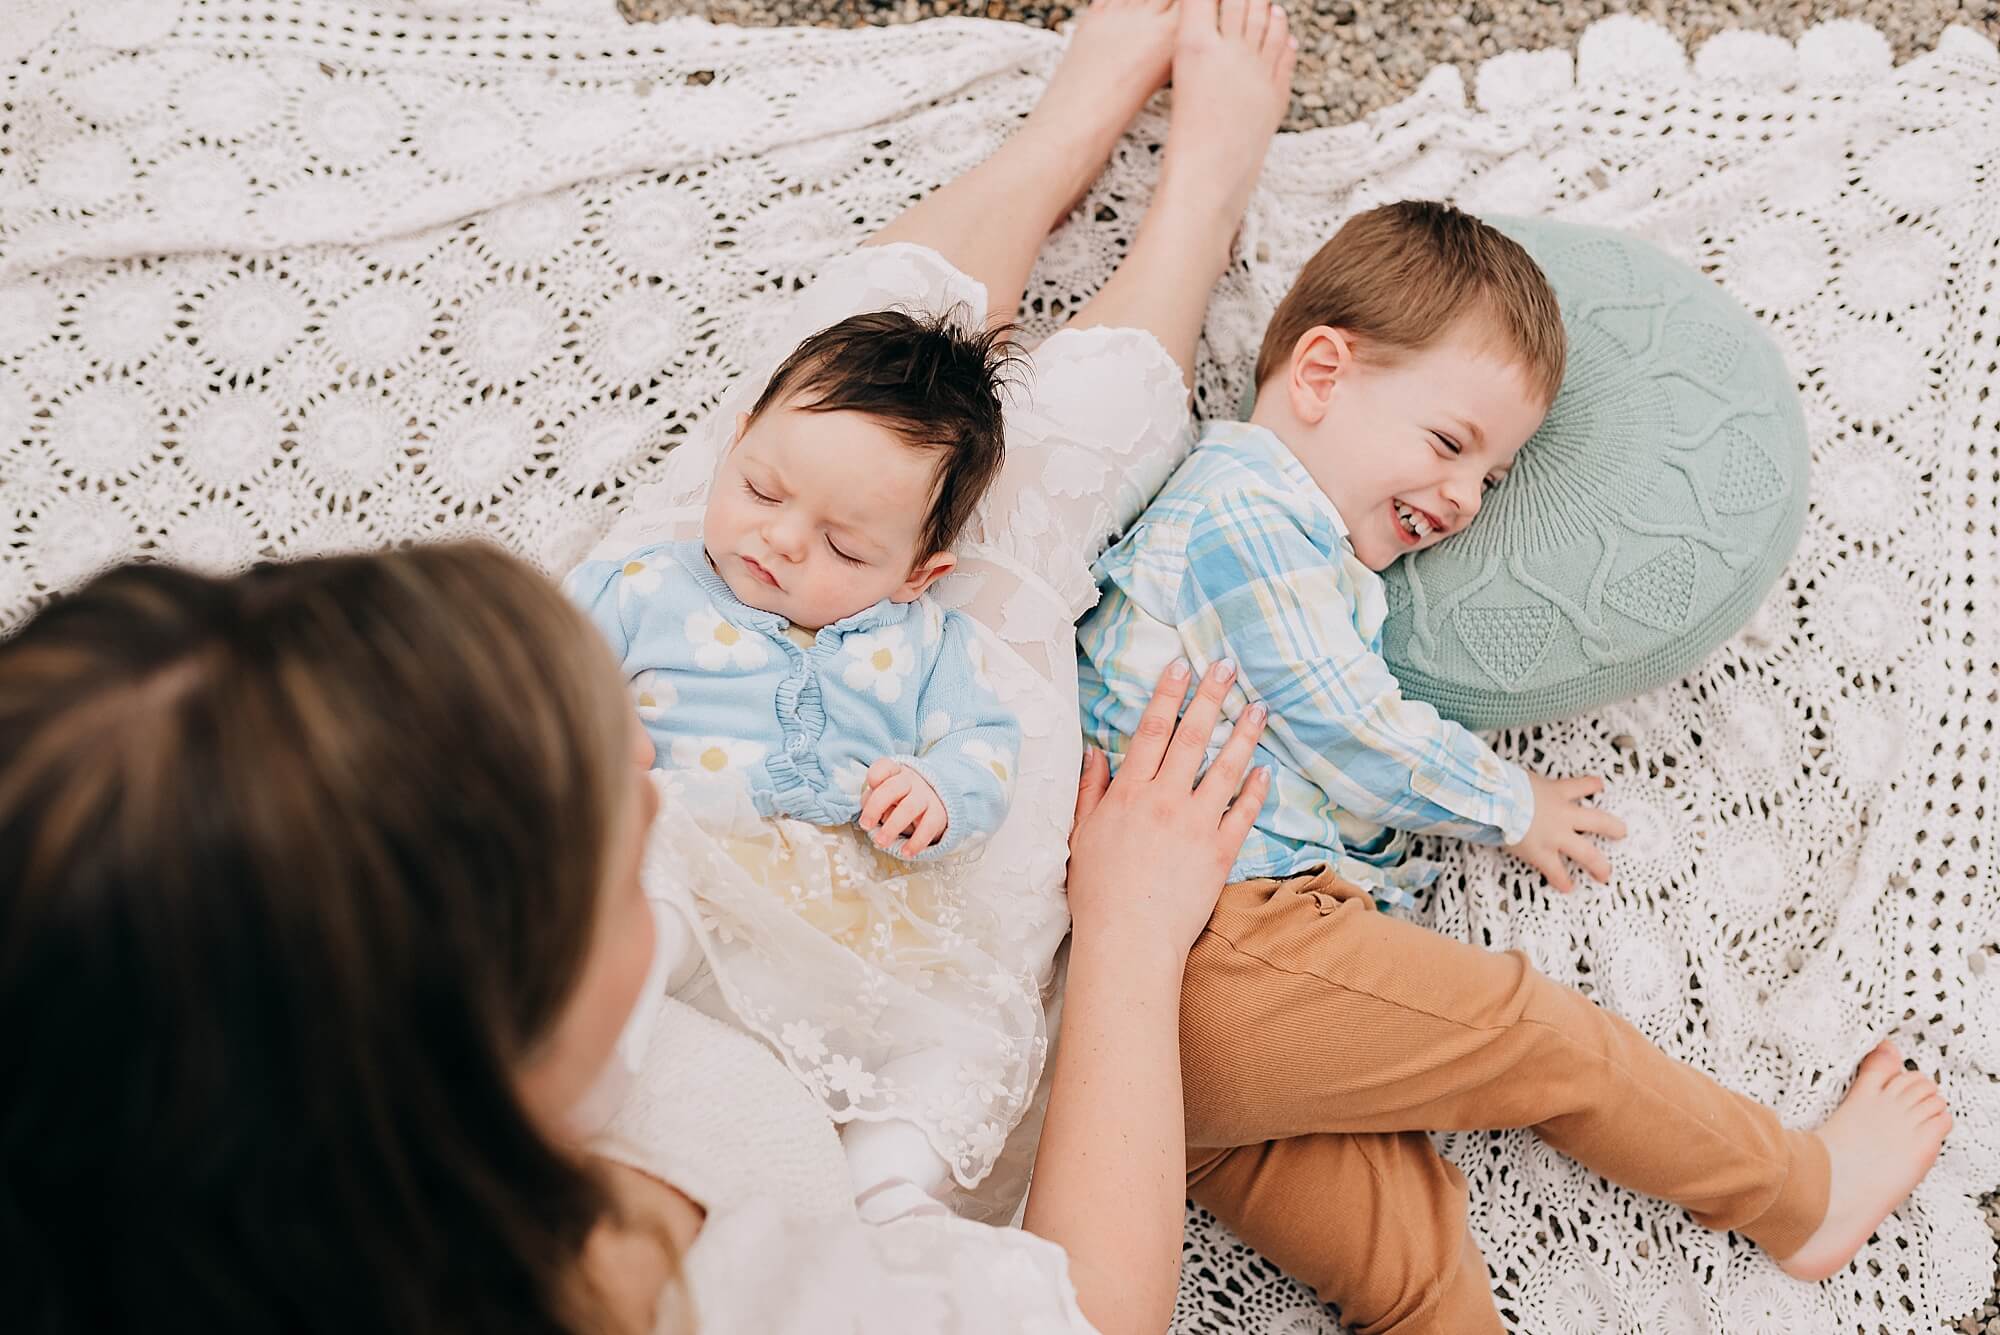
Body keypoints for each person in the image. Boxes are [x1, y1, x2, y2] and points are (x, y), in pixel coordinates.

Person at [2, 1, 1296, 1332]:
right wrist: (1130, 938)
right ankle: (1194, 199)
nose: (658, 783)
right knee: (1029, 521)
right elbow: (1094, 1311)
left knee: (825, 403)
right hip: (871, 961)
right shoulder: (716, 1281)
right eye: (608, 829)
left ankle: (1056, 142)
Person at [1074, 198, 1956, 1331]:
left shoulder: (1291, 539)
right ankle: (1798, 1194)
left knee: (1417, 1273)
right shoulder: (1240, 512)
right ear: (1320, 374)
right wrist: (1509, 804)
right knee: (1533, 1035)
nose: (1459, 500)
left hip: (1166, 1064)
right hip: (1219, 952)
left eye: (1490, 479)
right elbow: (1345, 721)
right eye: (1449, 445)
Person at [553, 0, 1298, 1232]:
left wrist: (940, 793)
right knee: (1044, 481)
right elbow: (557, 671)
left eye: (842, 548)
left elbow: (975, 743)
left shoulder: (923, 634)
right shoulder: (652, 583)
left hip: (833, 908)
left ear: (914, 577)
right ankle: (1189, 215)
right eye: (754, 493)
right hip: (699, 889)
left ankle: (1068, 135)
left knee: (869, 384)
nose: (775, 544)